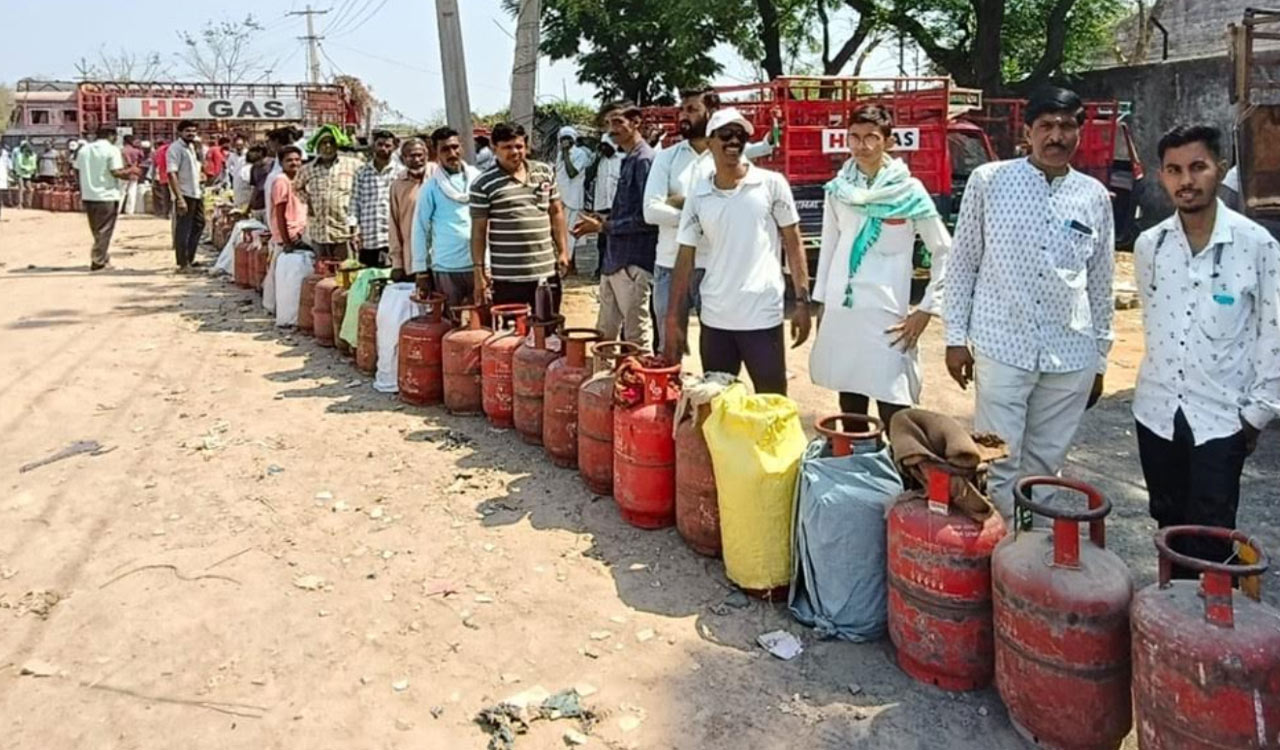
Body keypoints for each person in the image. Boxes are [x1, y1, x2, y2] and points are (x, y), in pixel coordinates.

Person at [943, 86, 1115, 524]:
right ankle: (998, 558)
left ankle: (1031, 556)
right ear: (1028, 132)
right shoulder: (991, 181)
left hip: (1070, 354)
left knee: (1044, 468)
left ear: (1079, 131)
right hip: (1002, 344)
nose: (1056, 136)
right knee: (999, 460)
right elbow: (963, 263)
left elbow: (1100, 280)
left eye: (1066, 126)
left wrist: (1099, 359)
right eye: (1047, 126)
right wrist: (954, 338)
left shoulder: (1093, 196)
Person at [1133, 124, 1279, 575]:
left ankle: (1211, 633)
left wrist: (1257, 414)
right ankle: (1169, 624)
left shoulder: (1257, 247)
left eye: (1198, 167)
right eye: (1174, 170)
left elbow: (1273, 336)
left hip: (1221, 420)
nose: (1186, 181)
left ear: (1221, 170)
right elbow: (1151, 322)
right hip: (1156, 414)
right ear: (1162, 176)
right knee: (1168, 524)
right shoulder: (1150, 245)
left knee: (1214, 535)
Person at [809, 104, 951, 430]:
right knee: (851, 404)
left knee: (896, 409)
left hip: (889, 317)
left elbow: (945, 251)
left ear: (888, 141)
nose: (863, 146)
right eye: (855, 137)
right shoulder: (838, 190)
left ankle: (903, 476)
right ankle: (861, 473)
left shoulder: (909, 191)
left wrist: (927, 308)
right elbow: (830, 248)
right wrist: (823, 306)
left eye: (872, 137)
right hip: (845, 311)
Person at [664, 107, 812, 394]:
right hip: (715, 317)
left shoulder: (771, 184)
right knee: (719, 406)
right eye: (726, 135)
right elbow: (685, 256)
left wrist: (802, 303)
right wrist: (673, 318)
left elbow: (793, 242)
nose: (734, 142)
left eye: (740, 136)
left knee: (771, 403)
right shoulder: (699, 194)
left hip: (762, 315)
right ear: (709, 143)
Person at [573, 101, 659, 349]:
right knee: (605, 333)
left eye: (618, 121)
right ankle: (604, 384)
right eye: (609, 123)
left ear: (636, 122)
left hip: (633, 261)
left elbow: (647, 217)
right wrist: (602, 220)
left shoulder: (644, 160)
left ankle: (638, 385)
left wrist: (602, 227)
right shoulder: (628, 158)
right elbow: (629, 209)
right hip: (615, 259)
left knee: (635, 337)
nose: (612, 129)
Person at [469, 122, 571, 314]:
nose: (515, 152)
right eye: (507, 147)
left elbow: (556, 212)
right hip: (508, 277)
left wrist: (563, 251)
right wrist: (479, 271)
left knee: (548, 332)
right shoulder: (483, 184)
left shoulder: (544, 172)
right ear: (494, 148)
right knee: (511, 337)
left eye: (519, 146)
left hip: (545, 272)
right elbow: (478, 231)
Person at [412, 129, 482, 305]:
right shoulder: (430, 188)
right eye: (445, 149)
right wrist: (421, 271)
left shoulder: (478, 180)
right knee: (451, 324)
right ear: (436, 153)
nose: (452, 154)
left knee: (484, 324)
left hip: (478, 266)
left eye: (455, 147)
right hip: (446, 268)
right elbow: (420, 229)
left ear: (462, 147)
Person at [296, 124, 361, 260]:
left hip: (344, 231)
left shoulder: (353, 165)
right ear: (317, 146)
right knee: (323, 273)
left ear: (337, 145)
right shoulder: (308, 169)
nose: (327, 147)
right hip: (319, 230)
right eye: (323, 143)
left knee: (346, 273)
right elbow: (296, 187)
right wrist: (308, 202)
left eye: (331, 143)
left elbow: (363, 186)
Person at [73, 125, 134, 271]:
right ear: (111, 135)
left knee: (96, 229)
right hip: (106, 194)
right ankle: (98, 260)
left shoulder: (84, 149)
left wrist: (83, 185)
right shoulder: (111, 150)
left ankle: (103, 257)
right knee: (105, 229)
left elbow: (76, 170)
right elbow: (116, 172)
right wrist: (130, 172)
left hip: (89, 195)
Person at [348, 129, 402, 267]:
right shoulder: (361, 173)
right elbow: (354, 203)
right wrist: (354, 233)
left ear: (394, 147)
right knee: (369, 280)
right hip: (368, 238)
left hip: (393, 237)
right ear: (374, 146)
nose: (383, 148)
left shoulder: (401, 173)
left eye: (388, 145)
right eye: (380, 144)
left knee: (393, 279)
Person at [388, 138, 429, 281]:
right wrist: (397, 263)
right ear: (403, 159)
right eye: (412, 156)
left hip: (440, 259)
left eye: (420, 155)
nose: (417, 160)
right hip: (412, 259)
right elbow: (394, 225)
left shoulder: (438, 178)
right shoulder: (398, 186)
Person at [167, 119, 206, 271]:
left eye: (193, 131)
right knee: (183, 228)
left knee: (199, 224)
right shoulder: (175, 149)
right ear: (180, 132)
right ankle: (183, 263)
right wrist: (180, 198)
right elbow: (171, 173)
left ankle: (190, 258)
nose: (191, 134)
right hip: (184, 194)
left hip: (196, 192)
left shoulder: (193, 147)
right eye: (188, 131)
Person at [555, 126, 592, 266]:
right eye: (563, 139)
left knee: (570, 233)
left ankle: (568, 263)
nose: (565, 142)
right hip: (560, 198)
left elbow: (572, 173)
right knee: (560, 231)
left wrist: (565, 154)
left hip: (573, 199)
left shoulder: (580, 154)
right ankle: (565, 261)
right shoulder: (559, 155)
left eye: (568, 139)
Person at [269, 145, 307, 248]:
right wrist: (287, 241)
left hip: (301, 232)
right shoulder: (281, 181)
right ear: (281, 163)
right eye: (289, 160)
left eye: (297, 160)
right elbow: (280, 214)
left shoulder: (299, 180)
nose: (294, 163)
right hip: (290, 236)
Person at [119, 135, 144, 214]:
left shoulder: (122, 150)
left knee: (121, 192)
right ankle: (130, 210)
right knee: (132, 192)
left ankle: (118, 209)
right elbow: (141, 157)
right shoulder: (136, 151)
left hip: (124, 172)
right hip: (134, 172)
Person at [247, 144, 272, 222]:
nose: (256, 164)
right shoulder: (254, 169)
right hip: (258, 206)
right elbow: (254, 188)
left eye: (256, 161)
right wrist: (250, 206)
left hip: (269, 205)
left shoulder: (273, 165)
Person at [226, 133, 252, 208]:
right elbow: (228, 166)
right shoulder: (232, 155)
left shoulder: (248, 154)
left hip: (246, 181)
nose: (239, 147)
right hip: (236, 181)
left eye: (240, 145)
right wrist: (233, 173)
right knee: (238, 202)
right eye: (237, 145)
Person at [150, 139, 171, 218]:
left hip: (161, 176)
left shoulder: (157, 152)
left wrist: (152, 178)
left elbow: (155, 166)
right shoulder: (171, 149)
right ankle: (171, 212)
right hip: (173, 176)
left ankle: (163, 213)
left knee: (163, 196)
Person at [14, 141, 37, 207]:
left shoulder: (33, 155)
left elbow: (34, 166)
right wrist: (27, 168)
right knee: (21, 188)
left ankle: (28, 204)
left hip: (28, 174)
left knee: (29, 189)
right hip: (20, 173)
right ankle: (20, 204)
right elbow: (20, 165)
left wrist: (29, 170)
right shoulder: (20, 155)